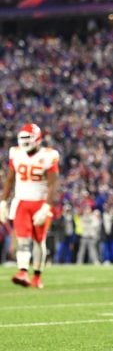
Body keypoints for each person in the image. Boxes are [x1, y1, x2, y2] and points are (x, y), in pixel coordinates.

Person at [0, 123, 59, 289]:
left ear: (37, 139)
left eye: (28, 138)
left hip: (40, 202)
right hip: (21, 201)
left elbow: (53, 185)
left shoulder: (49, 155)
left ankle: (37, 276)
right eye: (23, 138)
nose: (25, 142)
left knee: (39, 241)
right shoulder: (16, 153)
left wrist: (47, 207)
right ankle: (23, 272)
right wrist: (3, 201)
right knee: (23, 240)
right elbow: (10, 179)